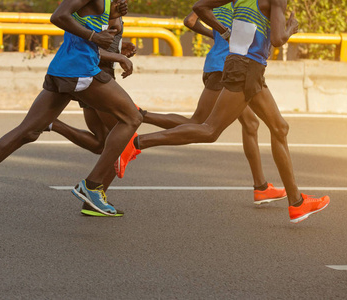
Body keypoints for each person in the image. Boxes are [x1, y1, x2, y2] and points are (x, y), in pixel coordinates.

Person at [118, 0, 330, 223]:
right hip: (247, 69)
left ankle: (295, 203)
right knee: (209, 130)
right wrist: (290, 28)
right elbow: (277, 40)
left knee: (279, 127)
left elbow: (199, 8)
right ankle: (135, 144)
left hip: (241, 66)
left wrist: (225, 32)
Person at [0, 0, 142, 222]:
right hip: (80, 69)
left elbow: (99, 29)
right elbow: (59, 16)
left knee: (28, 131)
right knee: (132, 118)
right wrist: (94, 37)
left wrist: (113, 18)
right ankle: (92, 185)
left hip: (66, 67)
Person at [140, 6, 286, 205]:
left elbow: (190, 20)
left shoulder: (219, 2)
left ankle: (261, 187)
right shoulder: (248, 3)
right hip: (227, 68)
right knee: (202, 125)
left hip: (220, 64)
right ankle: (138, 122)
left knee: (250, 124)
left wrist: (217, 33)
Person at [45, 15, 142, 217]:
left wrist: (121, 48)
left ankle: (52, 123)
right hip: (97, 77)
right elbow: (90, 44)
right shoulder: (103, 6)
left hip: (96, 73)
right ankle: (94, 192)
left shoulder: (111, 8)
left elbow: (100, 40)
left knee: (101, 143)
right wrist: (118, 57)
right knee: (125, 140)